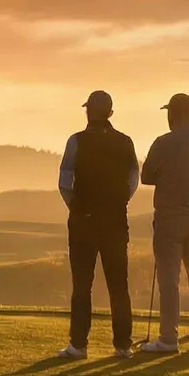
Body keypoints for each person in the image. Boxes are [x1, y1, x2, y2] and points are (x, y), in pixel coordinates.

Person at [56, 90, 139, 359]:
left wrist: (78, 207)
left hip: (84, 222)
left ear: (88, 111)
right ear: (110, 113)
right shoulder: (125, 142)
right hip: (115, 221)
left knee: (82, 285)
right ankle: (123, 345)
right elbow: (132, 180)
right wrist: (117, 203)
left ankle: (78, 345)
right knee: (119, 285)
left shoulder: (76, 141)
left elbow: (65, 182)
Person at [136, 93, 189, 353]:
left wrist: (167, 176)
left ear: (173, 114)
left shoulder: (163, 142)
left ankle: (169, 338)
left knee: (169, 280)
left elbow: (146, 176)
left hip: (170, 217)